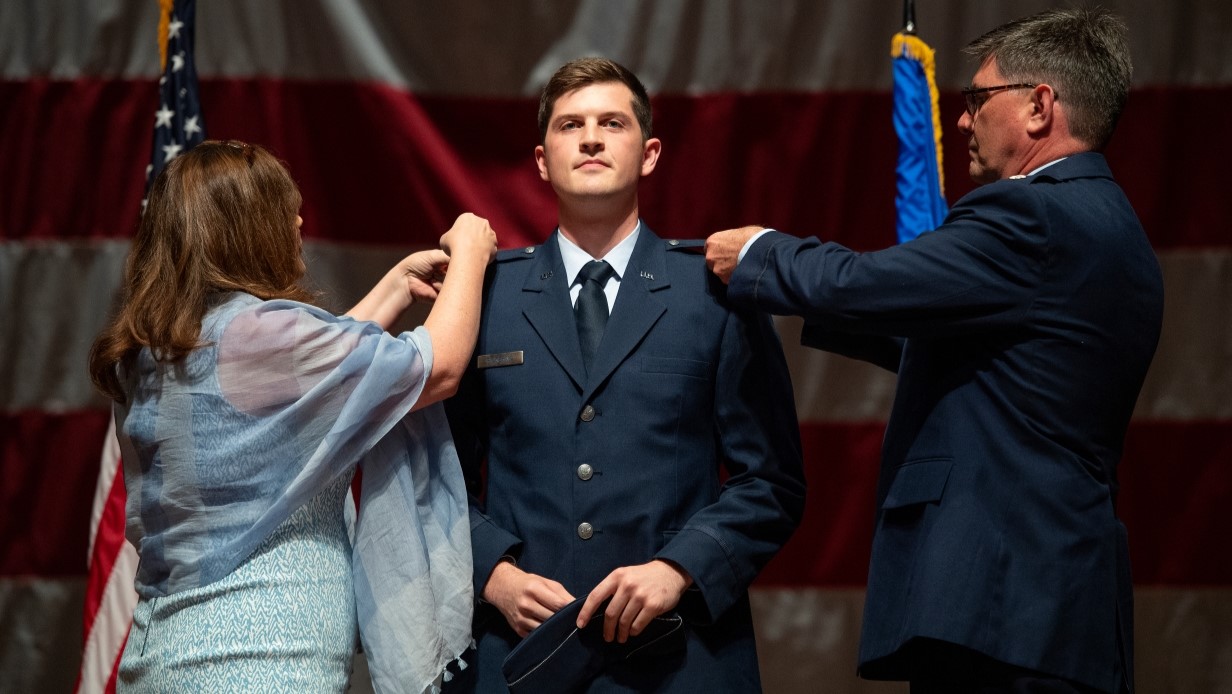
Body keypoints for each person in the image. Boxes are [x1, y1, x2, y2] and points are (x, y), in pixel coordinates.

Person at [705, 8, 1163, 694]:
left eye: (977, 99)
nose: (961, 120)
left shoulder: (1034, 214)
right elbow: (980, 352)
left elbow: (867, 282)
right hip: (1056, 603)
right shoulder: (1112, 225)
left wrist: (763, 255)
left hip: (1005, 602)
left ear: (1040, 106)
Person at [442, 58, 806, 692]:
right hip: (521, 653)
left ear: (650, 154)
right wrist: (492, 574)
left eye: (612, 123)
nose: (590, 138)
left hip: (680, 657)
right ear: (540, 159)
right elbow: (435, 472)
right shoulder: (484, 292)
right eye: (569, 125)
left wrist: (680, 568)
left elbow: (771, 479)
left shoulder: (713, 291)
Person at [87, 140, 497, 692]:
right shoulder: (256, 336)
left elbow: (300, 385)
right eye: (284, 209)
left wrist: (396, 289)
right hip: (256, 665)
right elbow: (439, 367)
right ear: (245, 228)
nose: (300, 219)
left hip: (169, 654)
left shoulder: (157, 348)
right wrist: (471, 250)